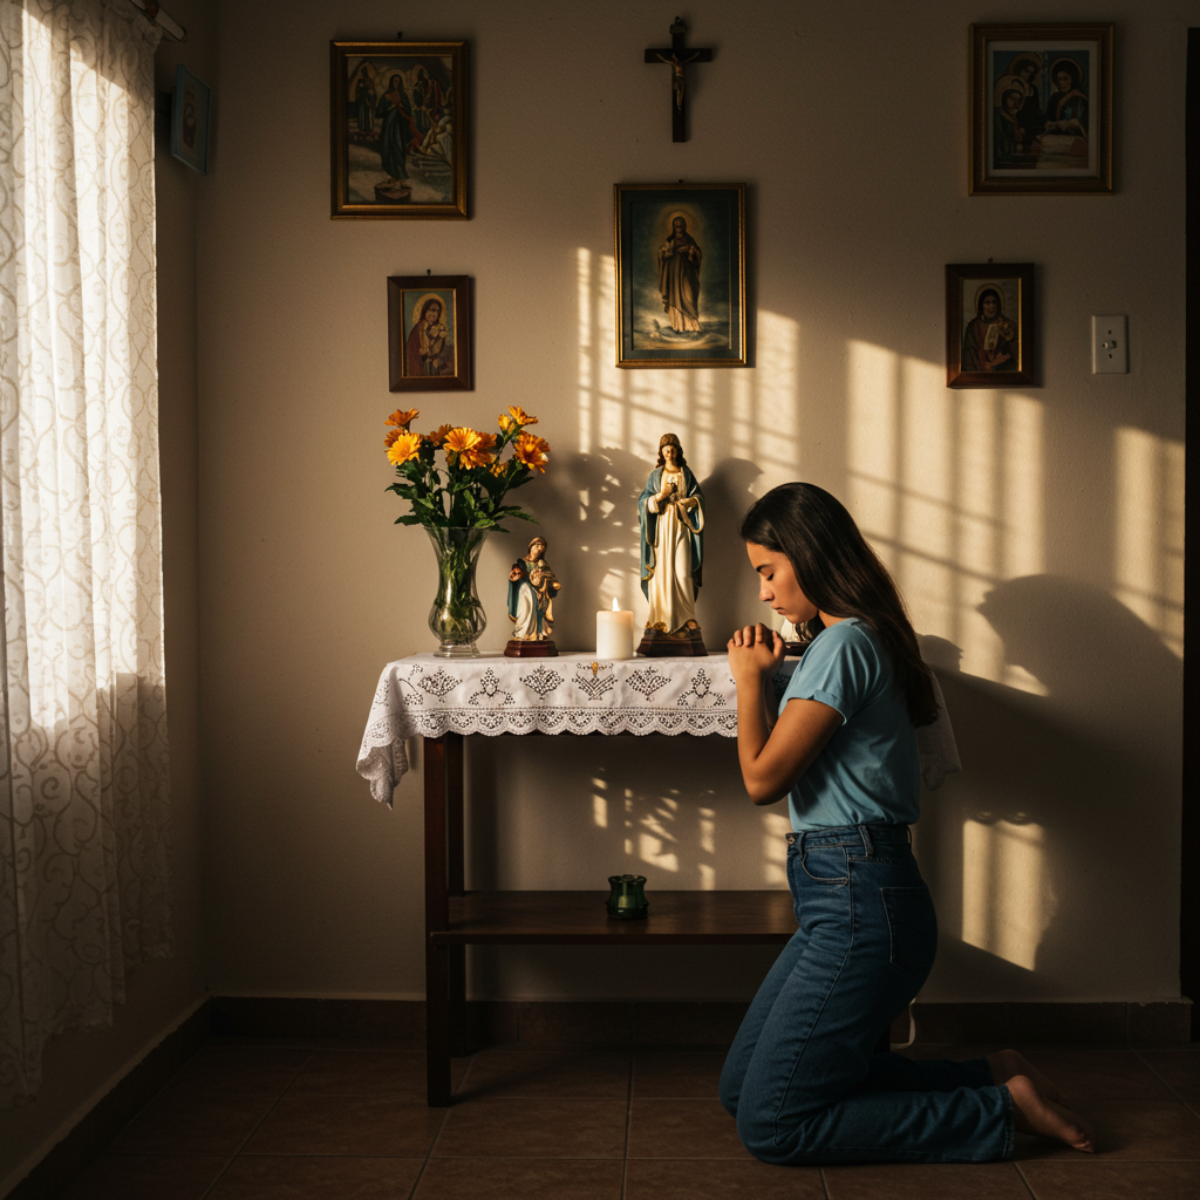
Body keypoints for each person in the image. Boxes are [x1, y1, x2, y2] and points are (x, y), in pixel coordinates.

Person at [718, 482, 1096, 1165]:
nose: (766, 594)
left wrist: (749, 680)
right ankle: (988, 1075)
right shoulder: (854, 641)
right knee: (743, 1091)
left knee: (772, 1127)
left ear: (808, 554)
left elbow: (761, 780)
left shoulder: (842, 647)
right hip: (845, 896)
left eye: (768, 572)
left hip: (860, 899)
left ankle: (995, 1110)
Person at [638, 433, 704, 640]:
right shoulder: (656, 475)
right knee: (662, 573)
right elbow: (643, 503)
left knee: (683, 571)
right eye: (666, 449)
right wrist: (661, 495)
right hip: (662, 527)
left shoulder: (687, 473)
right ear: (661, 452)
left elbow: (699, 497)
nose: (669, 452)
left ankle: (687, 619)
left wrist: (692, 502)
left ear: (678, 451)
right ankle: (661, 619)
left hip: (682, 524)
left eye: (673, 448)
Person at [507, 537, 560, 640]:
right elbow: (516, 575)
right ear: (530, 548)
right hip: (525, 589)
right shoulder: (522, 562)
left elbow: (550, 576)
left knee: (540, 603)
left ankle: (536, 632)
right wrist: (515, 577)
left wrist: (553, 584)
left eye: (541, 549)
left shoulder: (543, 564)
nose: (538, 551)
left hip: (541, 590)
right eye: (536, 547)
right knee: (528, 598)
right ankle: (522, 632)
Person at [657, 215, 702, 334]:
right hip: (673, 277)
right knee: (674, 298)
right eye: (676, 226)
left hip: (687, 275)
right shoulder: (670, 241)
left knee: (689, 296)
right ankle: (678, 326)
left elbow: (697, 256)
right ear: (674, 227)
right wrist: (667, 252)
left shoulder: (690, 240)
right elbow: (662, 254)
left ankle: (691, 326)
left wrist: (690, 250)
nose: (679, 228)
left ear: (684, 226)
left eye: (681, 225)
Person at [375, 74, 419, 184]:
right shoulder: (386, 96)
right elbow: (378, 113)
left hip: (400, 128)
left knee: (399, 148)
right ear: (390, 82)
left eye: (398, 81)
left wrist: (401, 105)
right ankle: (393, 175)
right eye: (394, 81)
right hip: (388, 128)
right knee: (387, 149)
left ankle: (401, 175)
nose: (396, 83)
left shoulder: (403, 96)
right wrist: (390, 107)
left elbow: (408, 112)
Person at [961, 286, 1017, 372]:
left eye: (994, 302)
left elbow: (1015, 352)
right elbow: (969, 355)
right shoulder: (973, 326)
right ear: (981, 305)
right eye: (987, 303)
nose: (991, 306)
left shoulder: (1007, 324)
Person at [405, 298, 450, 377]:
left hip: (436, 368)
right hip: (421, 366)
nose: (434, 314)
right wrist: (421, 352)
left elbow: (445, 350)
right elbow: (411, 352)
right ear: (425, 311)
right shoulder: (416, 331)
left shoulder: (441, 329)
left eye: (437, 311)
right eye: (432, 310)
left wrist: (440, 359)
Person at [1044, 58, 1087, 136]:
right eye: (1060, 79)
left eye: (1065, 79)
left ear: (1072, 79)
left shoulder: (1080, 97)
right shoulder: (1054, 98)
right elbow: (1048, 121)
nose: (1062, 83)